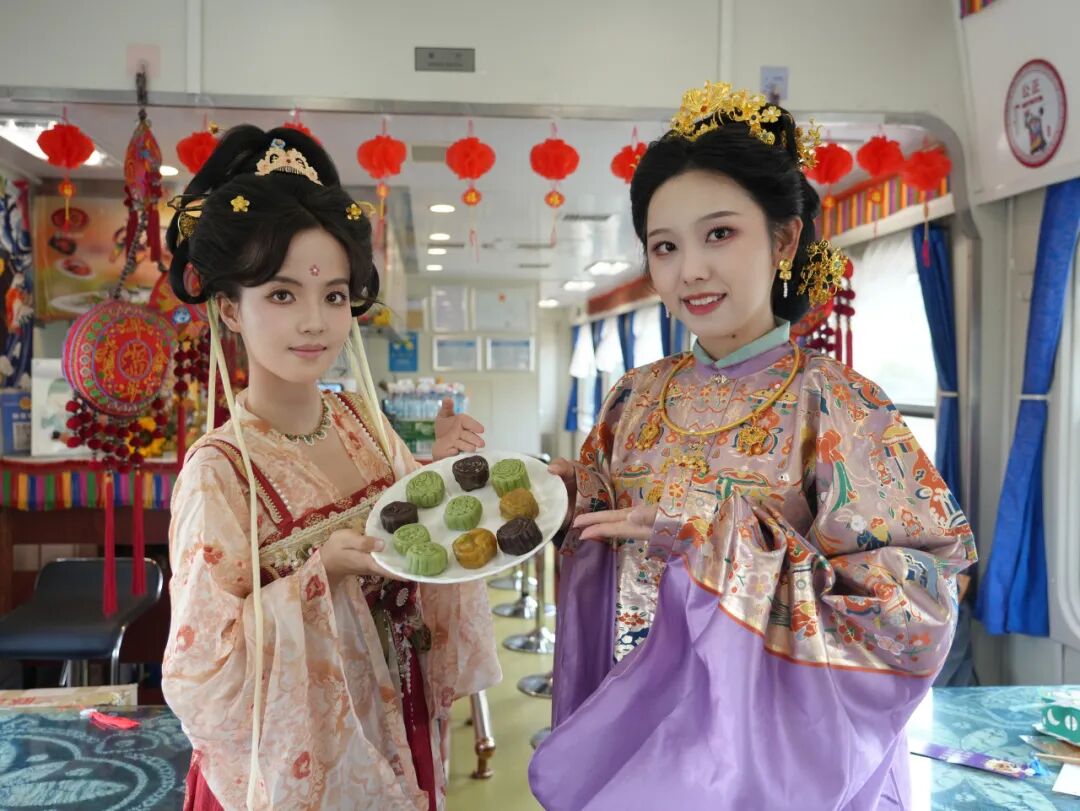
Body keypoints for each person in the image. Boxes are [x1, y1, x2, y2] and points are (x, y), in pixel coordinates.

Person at [530, 82, 977, 810]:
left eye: (719, 234)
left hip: (775, 756)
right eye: (665, 247)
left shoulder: (841, 404)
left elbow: (916, 607)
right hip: (638, 727)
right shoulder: (633, 396)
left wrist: (713, 538)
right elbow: (608, 547)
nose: (690, 270)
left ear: (785, 239)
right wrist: (569, 506)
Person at [160, 125, 500, 811]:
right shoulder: (218, 470)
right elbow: (201, 673)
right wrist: (323, 577)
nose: (315, 321)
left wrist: (441, 470)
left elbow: (420, 536)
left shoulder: (359, 420)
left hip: (396, 706)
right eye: (282, 295)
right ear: (229, 309)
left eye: (335, 296)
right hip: (292, 762)